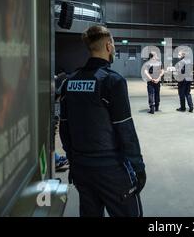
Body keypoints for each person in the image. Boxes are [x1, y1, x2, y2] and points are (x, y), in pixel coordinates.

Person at [59, 25, 146, 217]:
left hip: (82, 168)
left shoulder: (69, 82)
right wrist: (138, 168)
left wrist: (74, 162)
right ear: (108, 46)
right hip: (111, 169)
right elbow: (125, 130)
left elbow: (64, 129)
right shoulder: (112, 81)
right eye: (113, 44)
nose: (113, 48)